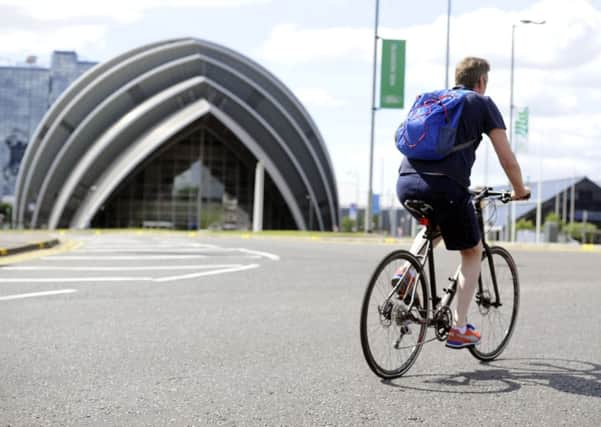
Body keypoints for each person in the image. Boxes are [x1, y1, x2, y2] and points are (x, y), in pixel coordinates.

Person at [395, 56, 530, 349]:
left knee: (435, 226)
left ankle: (404, 272)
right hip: (446, 186)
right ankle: (459, 327)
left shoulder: (430, 99)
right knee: (472, 251)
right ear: (481, 82)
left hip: (406, 182)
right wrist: (519, 189)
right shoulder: (481, 103)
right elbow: (506, 158)